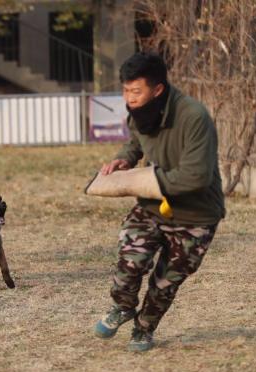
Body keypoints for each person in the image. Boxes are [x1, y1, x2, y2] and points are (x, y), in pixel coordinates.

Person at [93, 52, 225, 352]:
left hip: (197, 213)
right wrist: (124, 159)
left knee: (166, 281)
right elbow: (136, 142)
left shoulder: (193, 117)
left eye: (135, 91)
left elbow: (197, 176)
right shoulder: (139, 111)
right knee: (130, 254)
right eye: (125, 91)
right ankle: (123, 307)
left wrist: (145, 182)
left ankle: (144, 328)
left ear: (158, 89)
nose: (129, 98)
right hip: (154, 204)